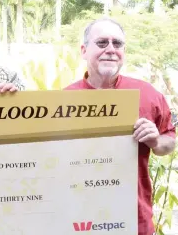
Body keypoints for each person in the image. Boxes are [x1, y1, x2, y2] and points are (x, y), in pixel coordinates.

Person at [64, 18, 176, 235]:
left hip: (135, 221)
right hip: (80, 220)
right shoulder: (65, 99)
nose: (111, 49)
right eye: (102, 42)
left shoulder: (148, 94)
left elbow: (168, 142)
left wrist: (155, 141)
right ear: (84, 50)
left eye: (117, 44)